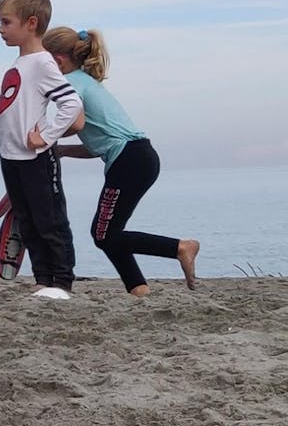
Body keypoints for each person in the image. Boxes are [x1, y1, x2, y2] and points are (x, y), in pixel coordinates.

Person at [43, 27, 200, 295]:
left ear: (56, 61)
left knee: (104, 234)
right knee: (108, 233)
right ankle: (138, 288)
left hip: (130, 162)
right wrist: (64, 151)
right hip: (138, 158)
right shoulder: (87, 83)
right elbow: (100, 145)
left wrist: (43, 137)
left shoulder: (72, 83)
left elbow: (72, 120)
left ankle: (180, 247)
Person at [0, 0, 85, 299]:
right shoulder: (20, 63)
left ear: (30, 23)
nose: (0, 29)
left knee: (50, 220)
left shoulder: (44, 63)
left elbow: (71, 105)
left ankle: (62, 280)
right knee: (27, 221)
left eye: (7, 22)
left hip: (36, 159)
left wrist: (45, 136)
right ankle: (42, 278)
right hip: (11, 157)